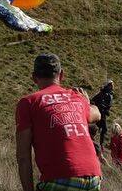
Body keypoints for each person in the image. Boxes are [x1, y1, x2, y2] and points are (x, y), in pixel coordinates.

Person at [15, 53, 102, 191]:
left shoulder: (29, 103)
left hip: (61, 177)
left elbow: (23, 157)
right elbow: (97, 114)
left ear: (34, 77)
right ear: (61, 75)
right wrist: (87, 102)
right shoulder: (76, 98)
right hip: (93, 174)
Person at [90, 80, 114, 151]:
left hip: (103, 113)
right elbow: (92, 100)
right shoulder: (102, 93)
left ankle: (100, 144)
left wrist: (106, 110)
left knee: (102, 129)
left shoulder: (109, 94)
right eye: (110, 85)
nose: (112, 87)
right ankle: (98, 143)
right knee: (100, 128)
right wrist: (100, 107)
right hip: (99, 113)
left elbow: (108, 105)